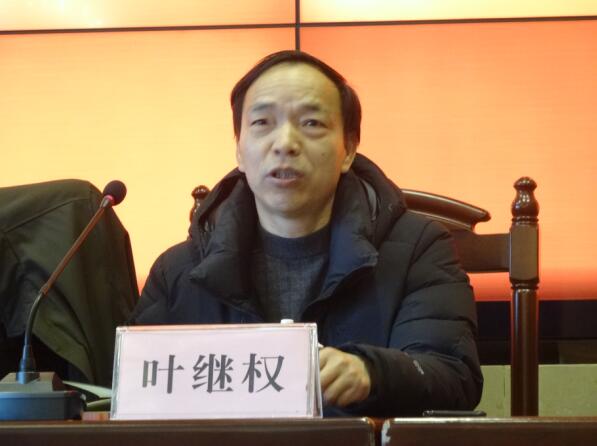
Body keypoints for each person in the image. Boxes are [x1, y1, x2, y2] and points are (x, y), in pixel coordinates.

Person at [131, 50, 483, 416]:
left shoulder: (418, 250)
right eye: (262, 122)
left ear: (348, 150)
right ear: (239, 150)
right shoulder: (179, 271)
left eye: (312, 123)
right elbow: (135, 395)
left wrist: (373, 373)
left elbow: (452, 376)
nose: (285, 142)